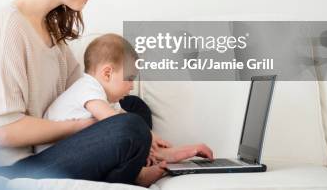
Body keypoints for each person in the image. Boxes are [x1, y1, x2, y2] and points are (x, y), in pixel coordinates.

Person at [0, 0, 212, 187]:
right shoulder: (7, 28)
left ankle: (150, 159)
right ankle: (134, 174)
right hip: (15, 166)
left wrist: (116, 122)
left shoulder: (50, 31)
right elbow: (6, 132)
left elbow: (88, 93)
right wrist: (81, 127)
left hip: (49, 147)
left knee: (133, 107)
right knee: (128, 127)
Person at [36, 33, 213, 186]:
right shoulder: (87, 87)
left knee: (135, 113)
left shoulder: (108, 99)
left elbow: (122, 117)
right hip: (59, 158)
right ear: (107, 73)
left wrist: (153, 138)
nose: (131, 85)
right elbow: (113, 121)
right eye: (129, 78)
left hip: (81, 153)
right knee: (131, 124)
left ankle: (156, 159)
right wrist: (143, 135)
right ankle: (138, 174)